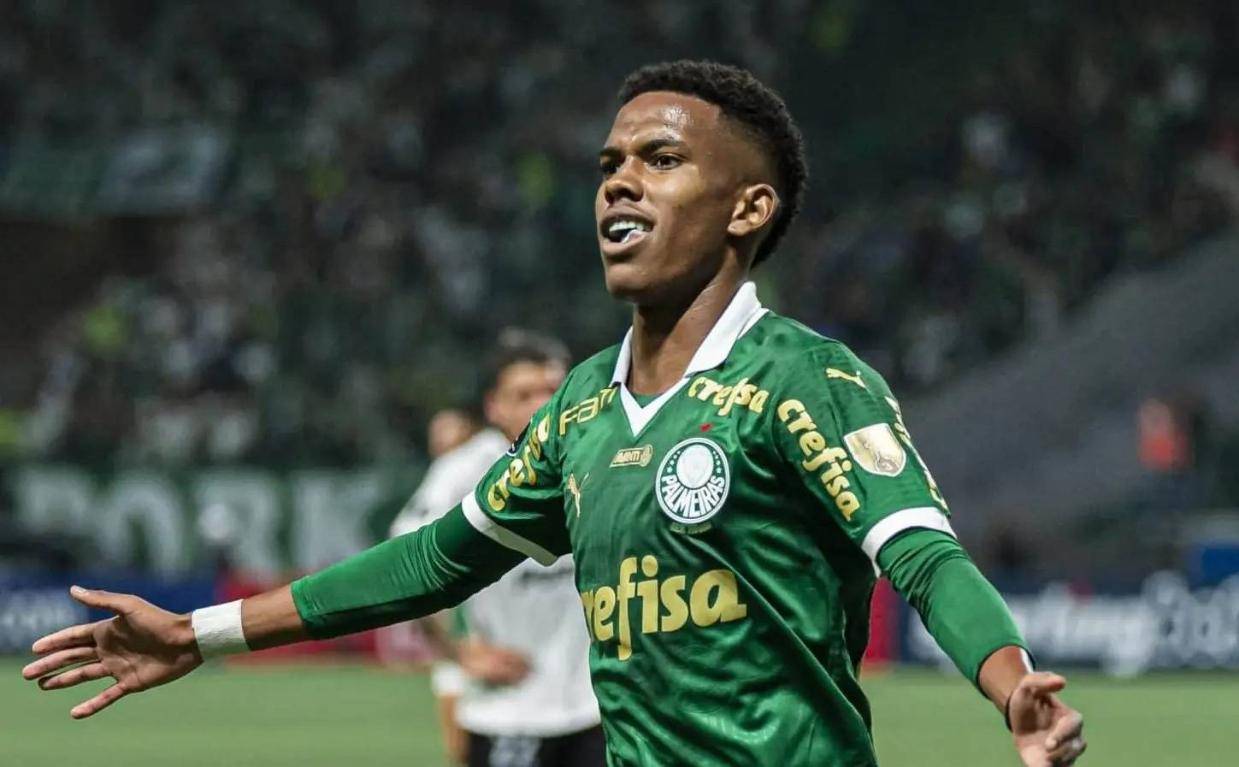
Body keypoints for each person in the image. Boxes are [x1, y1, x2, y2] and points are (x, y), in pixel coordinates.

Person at [23, 61, 1086, 767]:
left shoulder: (801, 377)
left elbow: (922, 556)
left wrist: (1010, 685)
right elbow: (437, 558)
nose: (619, 184)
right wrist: (201, 632)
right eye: (610, 164)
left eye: (661, 161)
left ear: (748, 208)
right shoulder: (582, 405)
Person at [389, 329, 603, 767]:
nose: (542, 405)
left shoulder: (602, 454)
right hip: (509, 712)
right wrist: (458, 652)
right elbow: (403, 556)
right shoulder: (466, 471)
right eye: (524, 394)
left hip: (597, 709)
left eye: (552, 390)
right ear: (494, 406)